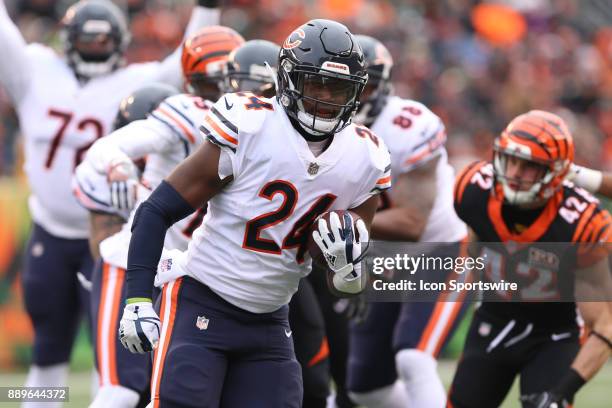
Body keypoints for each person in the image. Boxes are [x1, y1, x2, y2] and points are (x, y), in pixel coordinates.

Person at [118, 19, 391, 407]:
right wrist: (138, 300)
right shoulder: (251, 124)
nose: (327, 99)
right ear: (289, 80)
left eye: (340, 89)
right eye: (316, 84)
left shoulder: (366, 158)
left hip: (270, 320)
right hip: (202, 300)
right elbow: (156, 210)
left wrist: (347, 269)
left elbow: (346, 280)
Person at [0, 0, 220, 396]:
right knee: (47, 351)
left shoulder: (136, 82)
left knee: (117, 360)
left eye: (103, 40)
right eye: (87, 39)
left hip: (109, 232)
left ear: (119, 42)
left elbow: (188, 55)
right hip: (50, 231)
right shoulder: (36, 70)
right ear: (67, 41)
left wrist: (208, 7)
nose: (95, 47)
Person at [74, 26, 244, 407]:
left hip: (189, 279)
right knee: (120, 391)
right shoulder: (191, 112)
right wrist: (118, 165)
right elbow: (110, 146)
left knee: (173, 393)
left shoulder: (266, 129)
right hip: (138, 266)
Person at [448, 110, 612, 407]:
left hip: (555, 333)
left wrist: (563, 391)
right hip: (495, 317)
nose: (514, 174)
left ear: (556, 172)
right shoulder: (474, 190)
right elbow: (473, 248)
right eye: (510, 160)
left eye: (529, 166)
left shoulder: (580, 223)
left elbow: (604, 326)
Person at [345, 34, 469, 408]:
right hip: (385, 260)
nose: (349, 99)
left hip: (441, 251)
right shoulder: (322, 128)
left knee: (413, 358)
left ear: (381, 88)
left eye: (359, 88)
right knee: (367, 389)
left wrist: (333, 216)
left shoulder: (406, 127)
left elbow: (413, 223)